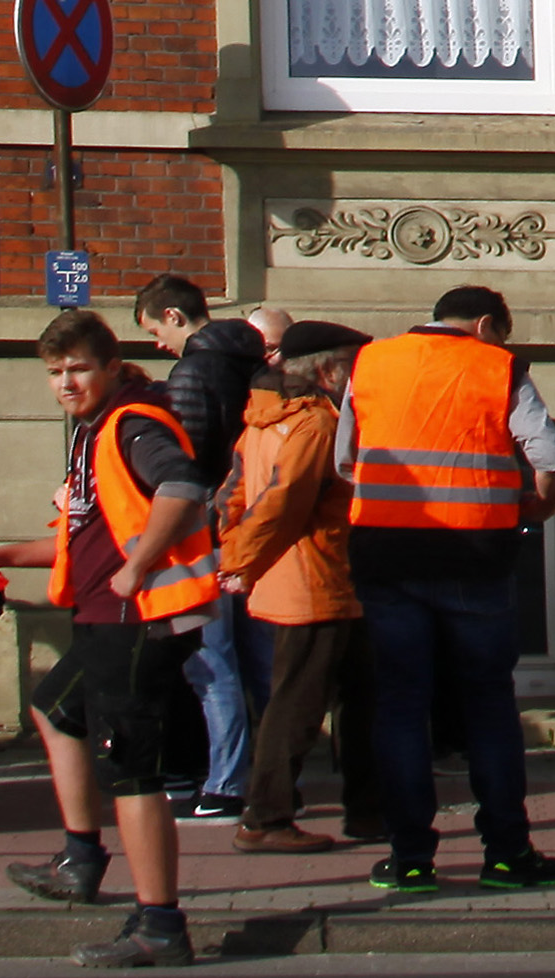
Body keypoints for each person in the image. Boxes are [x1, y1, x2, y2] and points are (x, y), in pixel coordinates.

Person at [0, 309, 219, 973]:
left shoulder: (130, 424)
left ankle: (160, 925)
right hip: (106, 616)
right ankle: (80, 858)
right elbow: (83, 537)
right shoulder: (93, 432)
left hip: (138, 619)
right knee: (53, 707)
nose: (66, 383)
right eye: (55, 372)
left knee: (132, 773)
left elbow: (184, 487)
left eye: (77, 369)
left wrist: (137, 566)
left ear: (110, 367)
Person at [344, 285, 555, 890]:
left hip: (387, 557)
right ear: (484, 324)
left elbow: (346, 461)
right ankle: (507, 854)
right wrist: (539, 507)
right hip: (475, 555)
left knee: (401, 706)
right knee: (488, 704)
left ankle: (410, 859)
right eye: (502, 333)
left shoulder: (370, 362)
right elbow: (550, 455)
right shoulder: (498, 366)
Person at [219, 322, 372, 849]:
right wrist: (239, 561)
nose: (358, 377)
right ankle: (265, 818)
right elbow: (283, 503)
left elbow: (233, 493)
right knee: (298, 705)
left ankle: (369, 810)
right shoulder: (317, 425)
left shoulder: (264, 421)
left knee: (355, 698)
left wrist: (237, 552)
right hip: (316, 581)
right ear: (327, 370)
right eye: (351, 365)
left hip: (314, 581)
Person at [129, 284, 260, 824]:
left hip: (205, 530)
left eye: (155, 330)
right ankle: (271, 778)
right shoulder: (250, 361)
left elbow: (186, 466)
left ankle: (226, 783)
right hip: (249, 523)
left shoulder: (192, 371)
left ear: (174, 315)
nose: (158, 343)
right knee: (255, 660)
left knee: (211, 660)